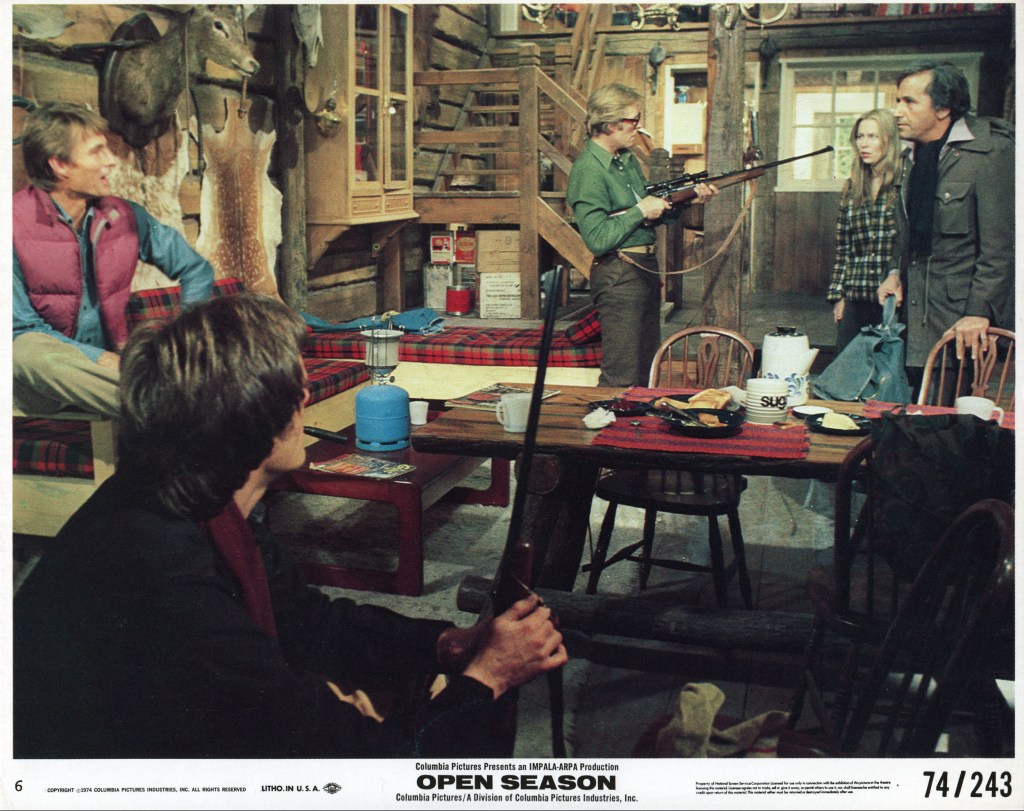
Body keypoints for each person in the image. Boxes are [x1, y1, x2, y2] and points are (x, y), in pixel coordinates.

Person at [13, 294, 567, 758]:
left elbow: (309, 621)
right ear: (247, 414)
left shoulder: (198, 494)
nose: (305, 397)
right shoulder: (164, 575)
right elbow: (366, 767)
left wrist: (446, 645)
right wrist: (488, 677)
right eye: (293, 388)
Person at [13, 101, 214, 418]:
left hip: (110, 378)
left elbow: (195, 269)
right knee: (25, 351)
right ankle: (182, 408)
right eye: (97, 152)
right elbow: (18, 329)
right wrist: (101, 359)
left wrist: (185, 339)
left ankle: (175, 407)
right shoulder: (11, 224)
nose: (111, 161)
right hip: (38, 384)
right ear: (60, 165)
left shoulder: (126, 216)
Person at [567, 83, 717, 387]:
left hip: (644, 270)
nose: (639, 127)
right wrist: (639, 210)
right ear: (611, 124)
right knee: (621, 375)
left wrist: (688, 200)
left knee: (647, 370)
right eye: (634, 120)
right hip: (620, 273)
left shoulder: (626, 159)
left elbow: (649, 216)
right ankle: (608, 418)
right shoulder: (589, 170)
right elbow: (597, 239)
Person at [877, 61, 1014, 392]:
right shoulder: (912, 155)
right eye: (897, 101)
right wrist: (894, 272)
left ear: (943, 108)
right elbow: (907, 231)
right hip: (914, 320)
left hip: (961, 326)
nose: (897, 111)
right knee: (910, 413)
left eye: (909, 102)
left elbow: (1003, 248)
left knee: (949, 417)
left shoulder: (990, 152)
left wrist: (979, 312)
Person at [826, 109, 900, 353]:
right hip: (856, 296)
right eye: (860, 136)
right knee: (846, 367)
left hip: (891, 298)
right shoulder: (852, 187)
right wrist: (839, 296)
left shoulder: (902, 184)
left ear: (889, 140)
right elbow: (843, 247)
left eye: (872, 136)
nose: (863, 144)